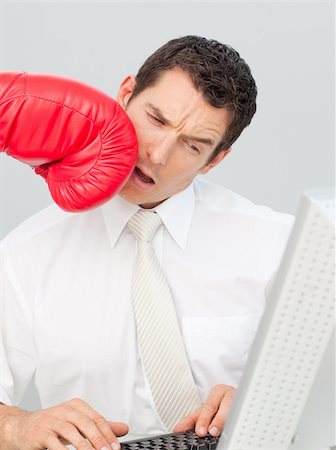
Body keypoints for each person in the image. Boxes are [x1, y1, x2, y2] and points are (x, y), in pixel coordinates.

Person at [0, 35, 293, 450]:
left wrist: (271, 401)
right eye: (155, 119)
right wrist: (15, 427)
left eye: (192, 145)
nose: (157, 154)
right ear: (124, 96)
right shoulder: (24, 255)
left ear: (215, 160)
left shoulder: (275, 244)